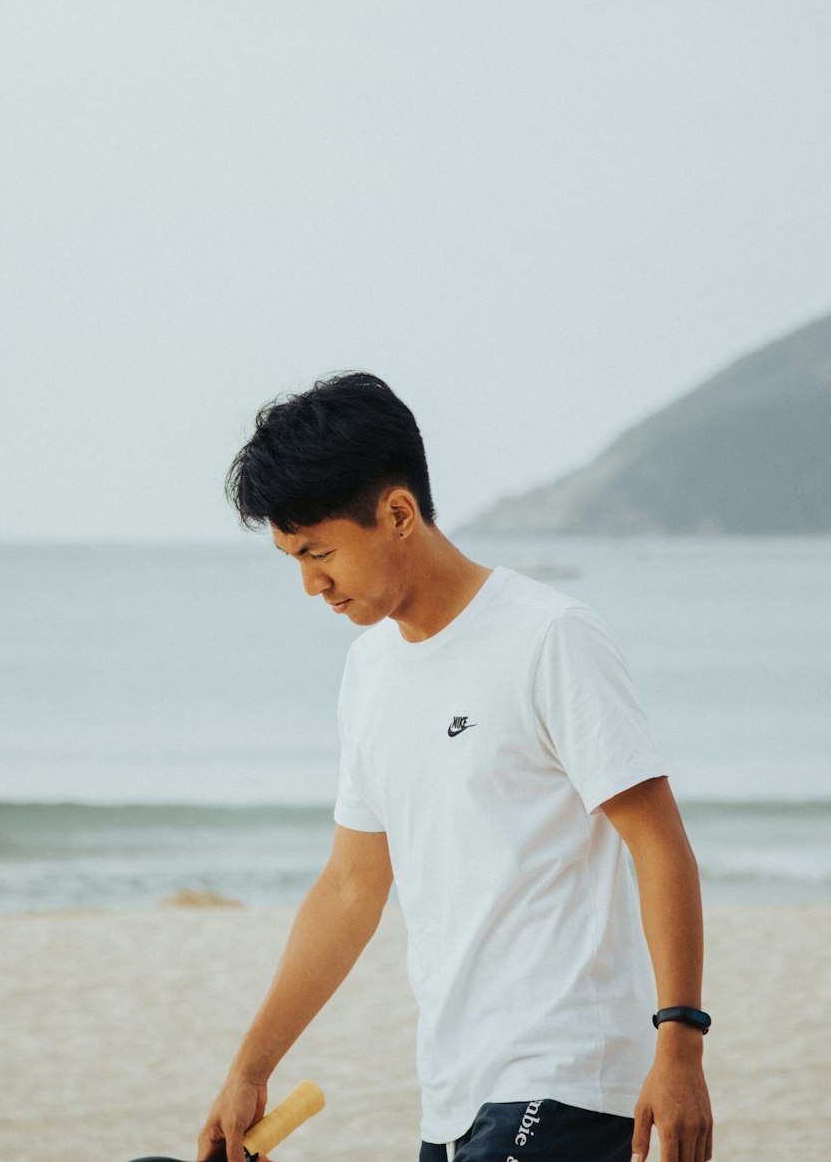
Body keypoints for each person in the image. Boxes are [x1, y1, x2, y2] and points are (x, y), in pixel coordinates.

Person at [198, 372, 713, 1162]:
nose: (311, 584)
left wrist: (679, 1045)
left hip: (565, 1074)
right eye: (293, 559)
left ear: (398, 513)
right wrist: (250, 1067)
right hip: (451, 1096)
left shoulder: (549, 637)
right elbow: (350, 888)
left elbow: (657, 841)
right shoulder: (369, 673)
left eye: (320, 552)